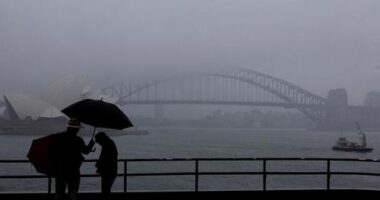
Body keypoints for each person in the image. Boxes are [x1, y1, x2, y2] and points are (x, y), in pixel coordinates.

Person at [49, 119, 95, 200]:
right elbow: (86, 151)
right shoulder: (78, 140)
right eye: (78, 129)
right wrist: (91, 144)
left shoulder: (58, 137)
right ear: (76, 129)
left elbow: (51, 151)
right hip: (74, 170)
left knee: (59, 193)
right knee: (73, 193)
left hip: (60, 170)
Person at [95, 131, 118, 200]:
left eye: (98, 141)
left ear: (101, 139)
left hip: (108, 171)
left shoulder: (107, 145)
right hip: (111, 170)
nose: (98, 143)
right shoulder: (109, 143)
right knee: (106, 190)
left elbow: (104, 158)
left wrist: (99, 166)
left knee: (105, 190)